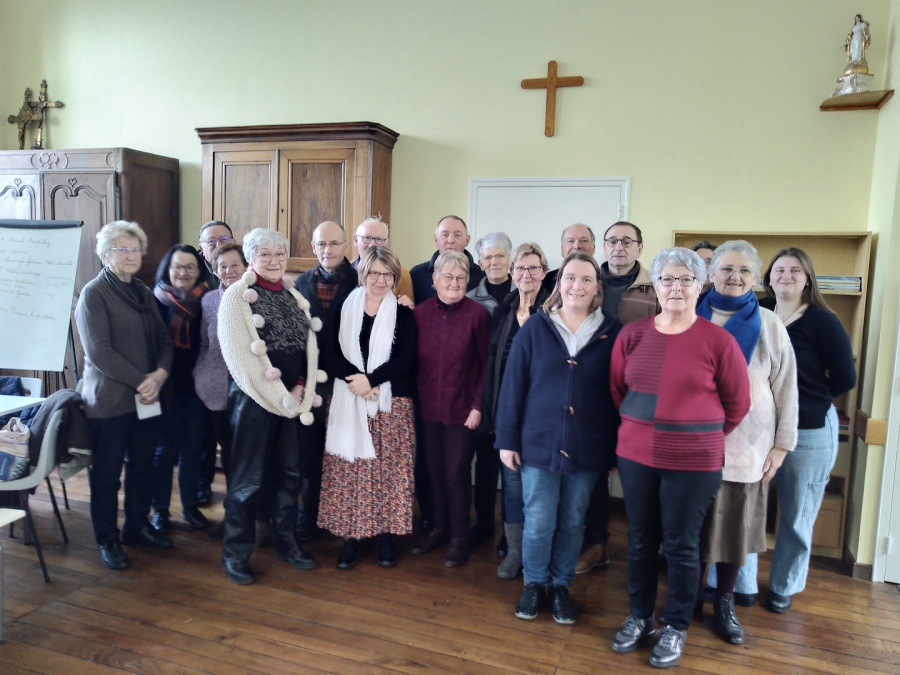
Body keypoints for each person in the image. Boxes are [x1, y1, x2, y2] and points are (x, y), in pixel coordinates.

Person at [609, 247, 750, 669]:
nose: (675, 287)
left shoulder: (718, 341)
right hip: (637, 455)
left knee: (682, 546)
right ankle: (640, 617)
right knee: (638, 540)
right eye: (667, 279)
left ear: (700, 286)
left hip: (694, 460)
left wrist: (697, 436)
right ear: (656, 285)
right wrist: (645, 429)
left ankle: (676, 625)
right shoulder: (632, 335)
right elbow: (619, 391)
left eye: (686, 280)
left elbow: (737, 404)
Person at [495, 251, 622, 625]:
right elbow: (512, 388)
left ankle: (561, 586)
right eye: (570, 278)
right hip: (537, 444)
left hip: (589, 447)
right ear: (559, 283)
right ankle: (534, 584)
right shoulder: (536, 327)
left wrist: (615, 449)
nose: (577, 286)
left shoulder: (612, 331)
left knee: (572, 521)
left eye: (586, 279)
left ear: (597, 287)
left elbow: (619, 394)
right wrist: (507, 439)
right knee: (538, 521)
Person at [694, 240, 798, 645]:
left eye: (744, 271)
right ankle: (687, 601)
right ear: (711, 273)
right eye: (725, 269)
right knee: (693, 527)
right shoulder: (690, 313)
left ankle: (724, 602)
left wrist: (781, 445)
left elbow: (786, 387)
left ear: (756, 279)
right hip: (693, 443)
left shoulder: (769, 323)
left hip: (748, 446)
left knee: (735, 528)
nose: (734, 277)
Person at [218, 228, 326, 585]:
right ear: (251, 258)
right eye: (265, 254)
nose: (274, 260)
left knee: (289, 473)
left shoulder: (294, 295)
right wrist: (281, 396)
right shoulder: (236, 297)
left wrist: (298, 388)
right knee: (247, 480)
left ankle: (286, 542)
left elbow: (306, 350)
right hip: (253, 402)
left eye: (279, 253)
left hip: (293, 401)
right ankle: (235, 553)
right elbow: (240, 362)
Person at [758, 248, 855, 613]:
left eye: (795, 270)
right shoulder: (758, 313)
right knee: (750, 507)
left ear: (808, 278)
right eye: (779, 269)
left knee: (798, 512)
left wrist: (810, 400)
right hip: (760, 430)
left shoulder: (823, 321)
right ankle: (743, 583)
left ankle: (784, 585)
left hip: (809, 430)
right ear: (768, 277)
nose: (786, 275)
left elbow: (845, 377)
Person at [74, 220, 174, 570]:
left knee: (142, 466)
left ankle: (136, 526)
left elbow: (164, 341)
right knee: (106, 473)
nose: (131, 255)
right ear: (104, 255)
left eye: (135, 249)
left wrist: (159, 374)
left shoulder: (144, 293)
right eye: (122, 249)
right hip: (108, 402)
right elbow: (99, 352)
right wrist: (142, 381)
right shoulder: (93, 294)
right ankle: (107, 538)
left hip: (145, 399)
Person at [318, 247, 417, 569]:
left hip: (390, 404)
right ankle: (352, 536)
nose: (380, 280)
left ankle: (386, 536)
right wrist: (356, 381)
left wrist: (372, 380)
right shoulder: (344, 306)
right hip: (349, 396)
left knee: (389, 472)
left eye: (387, 274)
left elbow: (407, 358)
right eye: (374, 272)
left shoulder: (403, 313)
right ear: (364, 273)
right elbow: (328, 351)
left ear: (395, 277)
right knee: (353, 470)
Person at [575, 220, 659, 576]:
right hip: (589, 391)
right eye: (612, 241)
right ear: (602, 247)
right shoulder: (588, 281)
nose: (619, 247)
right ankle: (596, 543)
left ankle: (649, 547)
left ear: (640, 247)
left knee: (637, 475)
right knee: (593, 471)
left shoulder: (655, 289)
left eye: (627, 241)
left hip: (636, 396)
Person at [411, 251, 490, 567]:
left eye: (460, 277)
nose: (454, 283)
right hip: (427, 407)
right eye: (448, 276)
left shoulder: (478, 315)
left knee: (456, 473)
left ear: (468, 280)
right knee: (432, 470)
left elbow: (485, 366)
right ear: (434, 280)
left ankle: (459, 536)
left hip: (462, 411)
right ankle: (438, 528)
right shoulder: (419, 314)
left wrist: (477, 406)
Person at [487, 242, 551, 580]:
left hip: (541, 422)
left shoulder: (553, 313)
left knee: (538, 492)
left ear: (543, 273)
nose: (526, 274)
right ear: (512, 274)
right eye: (520, 269)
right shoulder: (504, 312)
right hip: (507, 417)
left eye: (533, 268)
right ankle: (515, 552)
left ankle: (538, 555)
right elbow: (490, 367)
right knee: (511, 488)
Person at [293, 221, 358, 542]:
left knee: (345, 453)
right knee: (310, 454)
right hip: (312, 383)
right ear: (313, 246)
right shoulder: (301, 283)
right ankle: (308, 517)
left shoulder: (361, 281)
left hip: (349, 382)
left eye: (335, 243)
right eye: (322, 244)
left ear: (347, 246)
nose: (328, 250)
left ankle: (343, 517)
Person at [150, 244, 210, 532]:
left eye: (190, 267)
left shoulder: (207, 302)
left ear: (199, 272)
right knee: (163, 452)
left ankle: (189, 506)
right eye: (178, 267)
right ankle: (160, 510)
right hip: (164, 388)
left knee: (191, 449)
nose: (183, 273)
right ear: (168, 269)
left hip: (196, 388)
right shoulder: (154, 301)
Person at [193, 241, 247, 534]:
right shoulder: (208, 301)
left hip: (250, 392)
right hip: (216, 392)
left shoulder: (256, 296)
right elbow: (204, 344)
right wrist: (203, 377)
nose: (228, 271)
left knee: (248, 456)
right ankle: (233, 517)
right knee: (228, 456)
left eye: (234, 265)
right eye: (222, 266)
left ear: (246, 266)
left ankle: (254, 517)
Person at [466, 232, 513, 550]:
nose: (494, 262)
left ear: (509, 259)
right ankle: (484, 523)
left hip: (516, 394)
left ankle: (510, 534)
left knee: (513, 467)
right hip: (483, 392)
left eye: (500, 256)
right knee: (484, 464)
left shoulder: (527, 293)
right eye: (488, 258)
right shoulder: (470, 299)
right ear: (480, 263)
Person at [409, 215, 485, 304]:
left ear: (467, 240)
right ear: (436, 239)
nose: (451, 240)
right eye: (445, 235)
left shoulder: (482, 276)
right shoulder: (417, 274)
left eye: (457, 235)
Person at [351, 216, 414, 302]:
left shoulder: (402, 274)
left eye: (379, 239)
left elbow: (408, 308)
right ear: (355, 240)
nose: (372, 244)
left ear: (387, 243)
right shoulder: (346, 271)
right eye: (367, 238)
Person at [541, 223, 596, 291]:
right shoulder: (545, 282)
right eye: (570, 241)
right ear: (562, 250)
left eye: (584, 241)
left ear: (593, 249)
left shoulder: (604, 281)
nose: (577, 246)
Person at [197, 220, 235, 289]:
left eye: (224, 239)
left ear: (233, 243)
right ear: (201, 248)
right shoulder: (193, 269)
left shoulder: (246, 265)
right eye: (211, 241)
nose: (218, 245)